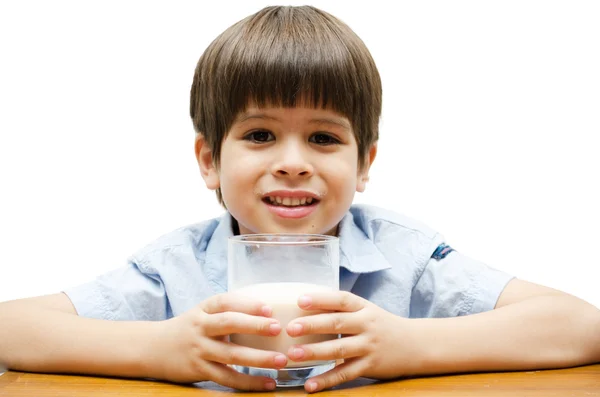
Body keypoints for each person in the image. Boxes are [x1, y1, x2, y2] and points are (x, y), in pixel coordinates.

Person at [1, 5, 599, 394]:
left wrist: (409, 345)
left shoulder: (404, 258)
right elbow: (10, 330)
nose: (293, 159)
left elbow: (580, 326)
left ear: (364, 163)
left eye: (323, 137)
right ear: (210, 161)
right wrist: (157, 349)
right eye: (260, 135)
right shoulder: (174, 268)